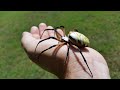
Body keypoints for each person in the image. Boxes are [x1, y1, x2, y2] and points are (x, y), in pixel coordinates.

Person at [21, 23, 111, 79]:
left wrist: (40, 51)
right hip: (75, 38)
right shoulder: (67, 38)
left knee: (55, 39)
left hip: (77, 41)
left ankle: (88, 70)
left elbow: (67, 52)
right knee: (56, 32)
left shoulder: (66, 43)